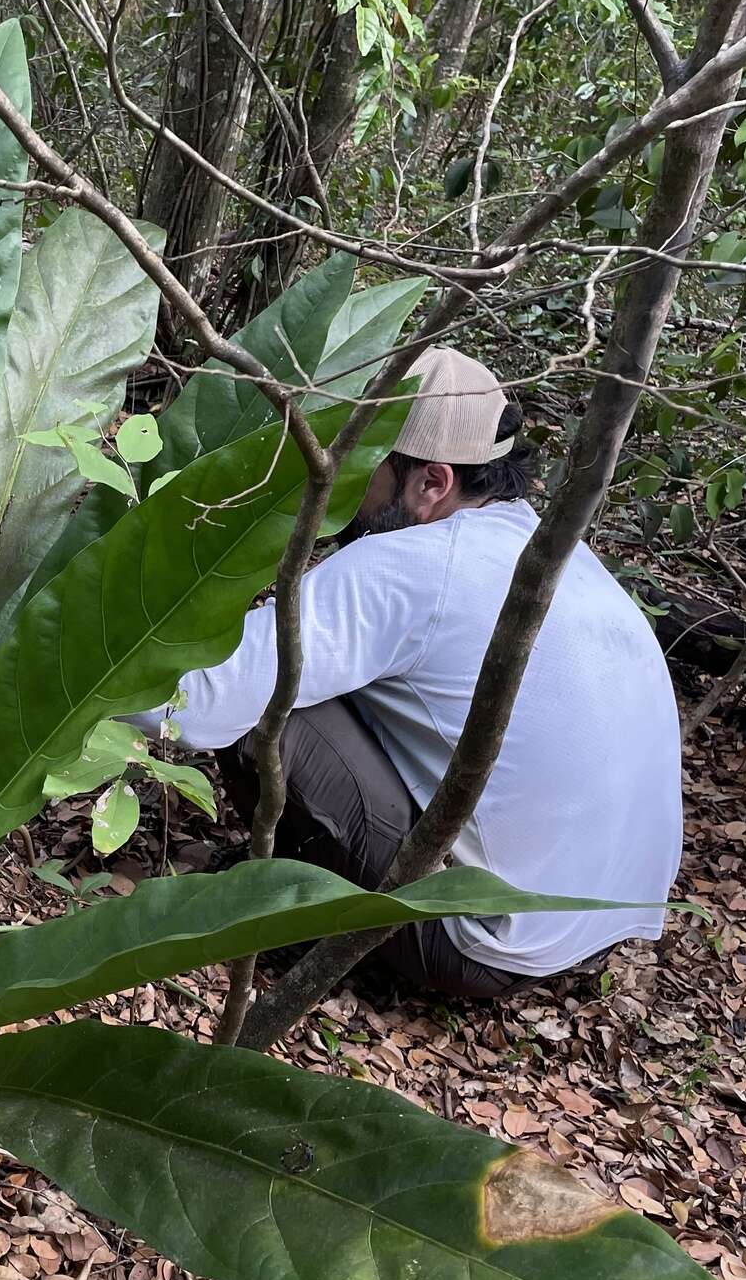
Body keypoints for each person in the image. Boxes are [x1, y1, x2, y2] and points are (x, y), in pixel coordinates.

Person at [130, 346, 683, 998]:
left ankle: (292, 918)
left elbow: (196, 700)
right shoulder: (555, 553)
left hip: (475, 946)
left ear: (431, 484)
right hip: (589, 937)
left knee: (270, 710)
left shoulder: (411, 565)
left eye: (361, 463)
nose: (332, 480)